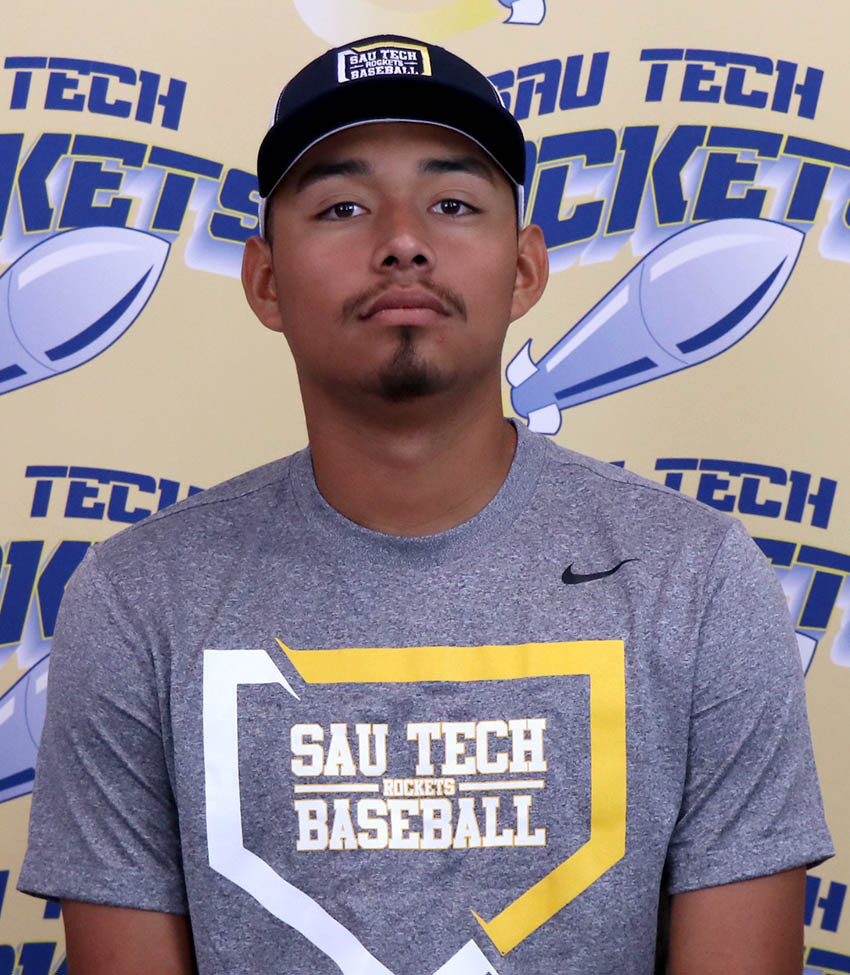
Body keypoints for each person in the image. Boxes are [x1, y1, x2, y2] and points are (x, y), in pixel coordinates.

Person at [19, 34, 832, 975]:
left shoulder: (695, 578)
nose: (401, 239)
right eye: (343, 206)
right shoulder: (138, 600)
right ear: (265, 280)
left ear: (524, 269)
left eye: (452, 203)